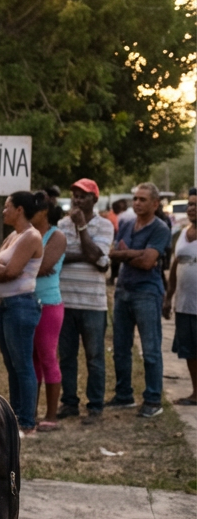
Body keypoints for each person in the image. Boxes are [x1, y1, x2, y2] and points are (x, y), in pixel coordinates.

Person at [110, 183, 171, 419]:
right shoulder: (125, 223)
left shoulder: (160, 228)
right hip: (124, 289)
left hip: (147, 291)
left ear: (155, 204)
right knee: (120, 348)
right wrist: (137, 253)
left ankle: (153, 398)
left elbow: (148, 263)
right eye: (135, 198)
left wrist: (126, 255)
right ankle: (124, 394)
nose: (137, 203)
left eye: (143, 199)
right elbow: (114, 253)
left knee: (151, 349)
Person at [0, 191, 45, 436]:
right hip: (4, 304)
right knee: (11, 364)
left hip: (20, 305)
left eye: (7, 206)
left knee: (22, 364)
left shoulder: (31, 236)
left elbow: (11, 271)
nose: (3, 211)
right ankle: (15, 415)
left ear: (19, 209)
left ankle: (27, 421)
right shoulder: (13, 236)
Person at [56, 178, 115, 424]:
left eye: (83, 195)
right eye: (75, 195)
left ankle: (95, 405)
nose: (77, 200)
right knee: (67, 356)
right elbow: (58, 256)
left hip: (93, 303)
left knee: (94, 356)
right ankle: (69, 402)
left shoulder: (105, 225)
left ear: (94, 198)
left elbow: (97, 256)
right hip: (65, 300)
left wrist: (82, 230)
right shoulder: (61, 224)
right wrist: (94, 258)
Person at [31, 189, 67, 431]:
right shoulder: (27, 234)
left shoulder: (57, 236)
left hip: (49, 303)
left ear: (43, 211)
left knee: (47, 357)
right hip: (28, 302)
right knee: (31, 360)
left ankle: (51, 415)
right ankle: (29, 411)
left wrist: (18, 266)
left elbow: (43, 266)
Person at [163, 191, 197, 407]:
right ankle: (196, 393)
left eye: (196, 205)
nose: (192, 208)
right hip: (185, 305)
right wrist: (169, 297)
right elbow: (175, 266)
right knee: (190, 351)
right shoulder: (183, 234)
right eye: (190, 204)